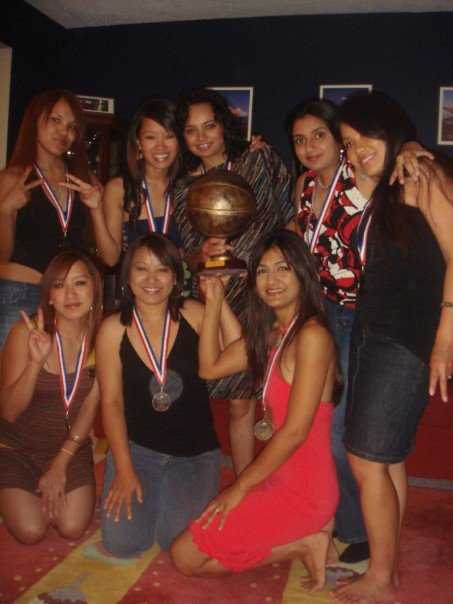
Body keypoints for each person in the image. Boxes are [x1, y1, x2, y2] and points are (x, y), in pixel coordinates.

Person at [331, 92, 453, 603]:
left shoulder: (421, 173)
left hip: (404, 337)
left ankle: (381, 579)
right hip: (374, 331)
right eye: (348, 143)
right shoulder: (394, 181)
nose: (357, 150)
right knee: (388, 457)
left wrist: (445, 338)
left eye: (365, 136)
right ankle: (388, 564)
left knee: (366, 460)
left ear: (389, 129)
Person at [171, 230, 339, 593]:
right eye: (262, 271)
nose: (271, 280)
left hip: (305, 491)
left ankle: (306, 542)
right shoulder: (273, 332)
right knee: (191, 549)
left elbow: (295, 432)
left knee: (184, 557)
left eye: (283, 268)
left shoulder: (312, 336)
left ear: (302, 273)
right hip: (275, 478)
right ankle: (305, 541)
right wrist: (214, 301)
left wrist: (239, 487)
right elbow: (210, 368)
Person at [96, 233, 241, 556]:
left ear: (176, 277)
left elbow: (236, 349)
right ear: (127, 276)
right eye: (141, 269)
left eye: (162, 269)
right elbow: (111, 403)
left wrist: (217, 300)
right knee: (123, 544)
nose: (152, 280)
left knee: (174, 540)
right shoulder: (112, 329)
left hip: (194, 454)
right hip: (138, 450)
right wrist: (124, 468)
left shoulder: (192, 312)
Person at [173, 87, 294, 474]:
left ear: (224, 126)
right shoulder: (184, 188)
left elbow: (288, 216)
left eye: (209, 125)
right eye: (191, 130)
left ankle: (276, 477)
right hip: (220, 297)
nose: (202, 137)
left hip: (267, 294)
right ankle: (242, 482)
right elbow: (189, 256)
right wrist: (202, 252)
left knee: (272, 393)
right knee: (235, 399)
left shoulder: (256, 163)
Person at [287, 99, 369, 563]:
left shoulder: (361, 177)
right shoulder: (303, 185)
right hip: (317, 316)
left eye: (319, 134)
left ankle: (360, 528)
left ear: (339, 138)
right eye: (300, 139)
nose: (309, 146)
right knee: (316, 423)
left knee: (339, 430)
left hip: (359, 317)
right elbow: (303, 239)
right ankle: (327, 513)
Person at [0, 250, 103, 544]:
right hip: (16, 449)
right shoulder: (26, 332)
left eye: (79, 283)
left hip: (69, 448)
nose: (70, 294)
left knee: (71, 527)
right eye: (59, 285)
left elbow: (90, 407)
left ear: (94, 289)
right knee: (31, 531)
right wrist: (35, 363)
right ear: (49, 296)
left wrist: (60, 464)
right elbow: (8, 412)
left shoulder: (103, 337)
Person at [0, 89, 104, 348]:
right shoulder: (12, 178)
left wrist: (99, 206)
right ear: (34, 121)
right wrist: (6, 211)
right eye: (55, 120)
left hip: (69, 299)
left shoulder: (83, 180)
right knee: (14, 373)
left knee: (63, 373)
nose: (63, 132)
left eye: (72, 126)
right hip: (23, 294)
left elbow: (106, 251)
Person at [96, 98, 182, 269]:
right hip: (138, 283)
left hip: (179, 281)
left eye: (169, 136)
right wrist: (95, 209)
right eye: (150, 137)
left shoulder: (186, 186)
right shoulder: (118, 189)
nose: (161, 146)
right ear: (138, 143)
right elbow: (110, 259)